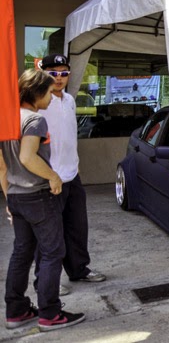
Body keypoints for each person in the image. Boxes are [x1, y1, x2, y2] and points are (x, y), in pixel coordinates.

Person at [1, 69, 86, 331]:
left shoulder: (9, 119)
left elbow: (3, 167)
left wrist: (9, 196)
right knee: (53, 252)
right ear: (37, 92)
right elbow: (27, 157)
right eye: (49, 92)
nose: (51, 97)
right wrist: (53, 177)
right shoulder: (35, 120)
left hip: (17, 195)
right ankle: (50, 313)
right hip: (38, 196)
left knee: (22, 253)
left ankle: (16, 311)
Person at [38, 54, 106, 293]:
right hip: (48, 177)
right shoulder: (38, 102)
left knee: (77, 227)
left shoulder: (69, 100)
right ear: (43, 73)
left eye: (64, 73)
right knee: (50, 233)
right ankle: (47, 280)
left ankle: (79, 270)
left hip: (72, 174)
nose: (59, 78)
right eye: (53, 73)